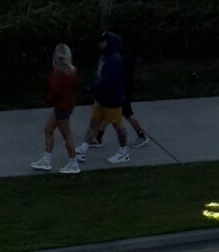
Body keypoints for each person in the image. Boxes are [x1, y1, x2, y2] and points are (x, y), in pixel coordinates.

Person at [75, 31, 130, 164]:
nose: (99, 43)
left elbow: (106, 81)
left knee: (118, 126)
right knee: (94, 122)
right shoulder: (105, 56)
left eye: (103, 41)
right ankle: (84, 148)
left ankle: (124, 152)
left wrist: (91, 87)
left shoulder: (114, 60)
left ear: (109, 43)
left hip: (112, 100)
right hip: (101, 98)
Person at [90, 38, 149, 150]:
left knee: (126, 113)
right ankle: (98, 137)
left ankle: (142, 136)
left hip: (122, 90)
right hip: (123, 88)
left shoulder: (119, 57)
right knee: (110, 113)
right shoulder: (123, 55)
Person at [31, 43, 80, 174]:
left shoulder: (57, 74)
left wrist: (47, 99)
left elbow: (53, 92)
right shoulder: (72, 71)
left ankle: (73, 162)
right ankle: (46, 160)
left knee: (66, 135)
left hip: (61, 108)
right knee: (48, 129)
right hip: (67, 106)